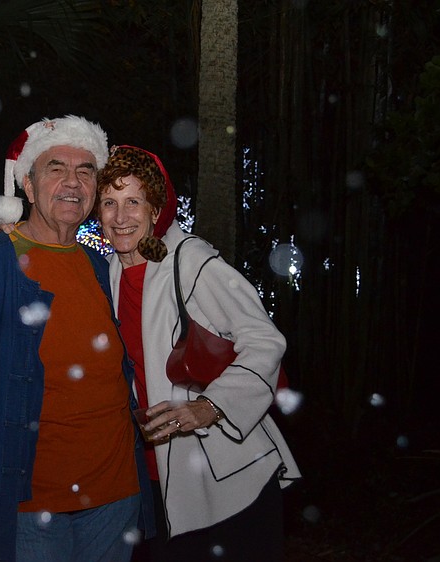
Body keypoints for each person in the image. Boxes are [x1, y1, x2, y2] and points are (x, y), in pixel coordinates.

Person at [0, 117, 154, 562]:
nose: (73, 182)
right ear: (27, 186)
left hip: (116, 498)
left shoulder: (104, 268)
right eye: (56, 168)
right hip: (28, 506)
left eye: (85, 171)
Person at [95, 145, 301, 562]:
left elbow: (265, 340)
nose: (120, 217)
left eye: (134, 201)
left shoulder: (190, 261)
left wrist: (211, 406)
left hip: (229, 477)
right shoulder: (109, 272)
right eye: (109, 203)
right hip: (159, 480)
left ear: (156, 210)